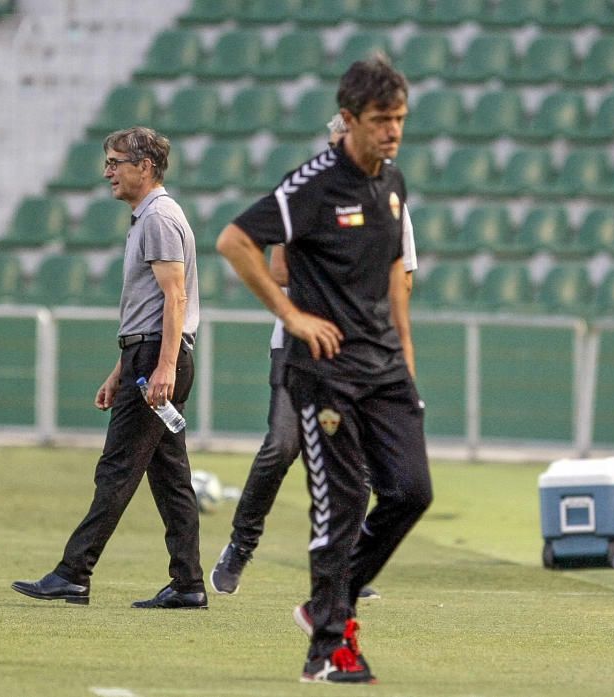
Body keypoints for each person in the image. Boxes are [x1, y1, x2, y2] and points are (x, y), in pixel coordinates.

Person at [216, 55, 432, 684]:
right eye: (380, 120)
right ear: (349, 120)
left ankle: (324, 605)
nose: (392, 131)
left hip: (385, 368)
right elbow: (235, 241)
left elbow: (397, 271)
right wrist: (293, 316)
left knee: (412, 492)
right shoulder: (311, 185)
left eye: (399, 119)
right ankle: (328, 652)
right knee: (339, 505)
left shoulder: (394, 184)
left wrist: (407, 353)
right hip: (326, 371)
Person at [12, 126, 207, 610]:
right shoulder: (153, 216)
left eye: (117, 162)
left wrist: (160, 366)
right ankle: (187, 584)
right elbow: (151, 306)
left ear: (145, 167)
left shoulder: (158, 217)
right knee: (171, 478)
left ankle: (73, 573)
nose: (108, 172)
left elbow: (173, 296)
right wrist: (122, 368)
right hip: (148, 356)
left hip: (157, 358)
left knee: (117, 469)